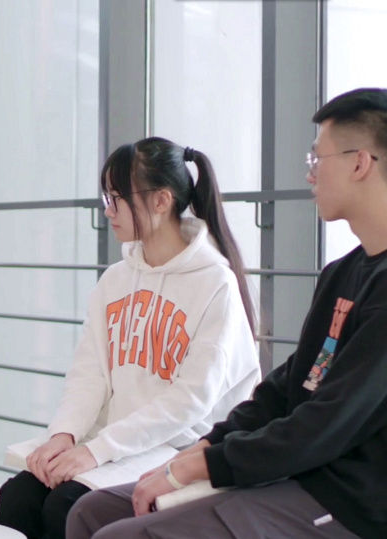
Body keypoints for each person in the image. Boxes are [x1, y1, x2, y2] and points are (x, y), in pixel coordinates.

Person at [65, 88, 387, 539]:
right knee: (92, 512)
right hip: (296, 475)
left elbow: (327, 423)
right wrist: (207, 445)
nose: (309, 173)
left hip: (349, 504)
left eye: (317, 159)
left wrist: (205, 464)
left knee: (121, 535)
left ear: (360, 164)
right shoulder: (342, 273)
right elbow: (288, 386)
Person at [0, 138, 262, 539]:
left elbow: (191, 400)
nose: (107, 211)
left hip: (177, 450)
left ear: (161, 201)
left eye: (117, 199)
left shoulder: (215, 283)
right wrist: (64, 435)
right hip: (115, 445)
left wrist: (96, 451)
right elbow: (90, 372)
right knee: (19, 495)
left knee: (67, 505)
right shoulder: (116, 279)